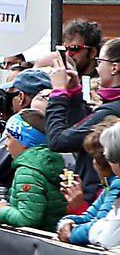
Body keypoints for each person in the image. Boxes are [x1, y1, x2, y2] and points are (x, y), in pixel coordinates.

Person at [47, 36, 120, 186]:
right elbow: (81, 134)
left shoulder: (113, 110)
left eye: (100, 62)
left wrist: (58, 93)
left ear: (115, 67)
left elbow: (58, 141)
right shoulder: (112, 105)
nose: (97, 68)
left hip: (99, 194)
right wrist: (73, 92)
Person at [0, 111, 66, 230]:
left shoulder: (28, 171)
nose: (6, 145)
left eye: (8, 137)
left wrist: (3, 210)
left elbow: (28, 219)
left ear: (24, 141)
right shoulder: (47, 162)